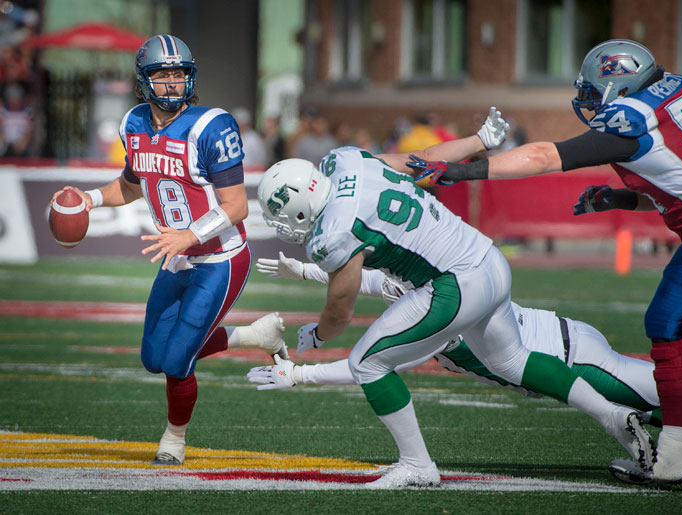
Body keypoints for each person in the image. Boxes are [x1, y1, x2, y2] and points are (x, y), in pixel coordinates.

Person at [255, 109, 656, 489]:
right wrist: (479, 139)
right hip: (487, 259)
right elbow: (426, 159)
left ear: (299, 209)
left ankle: (417, 465)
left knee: (369, 363)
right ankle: (613, 415)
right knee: (512, 361)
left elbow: (340, 310)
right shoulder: (346, 162)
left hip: (454, 283)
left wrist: (320, 336)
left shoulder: (335, 232)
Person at [406, 39, 682, 484]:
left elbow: (544, 156)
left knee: (666, 328)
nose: (589, 104)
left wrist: (457, 171)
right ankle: (674, 455)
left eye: (594, 91)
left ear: (618, 81)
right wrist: (623, 198)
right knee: (664, 325)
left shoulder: (630, 117)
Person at [50, 35, 288, 466]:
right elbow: (130, 183)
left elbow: (236, 206)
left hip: (220, 257)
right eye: (163, 74)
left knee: (178, 359)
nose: (173, 83)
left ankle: (174, 440)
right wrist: (90, 199)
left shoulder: (211, 125)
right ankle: (254, 335)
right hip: (178, 256)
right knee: (153, 358)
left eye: (180, 74)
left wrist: (189, 236)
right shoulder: (135, 123)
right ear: (144, 80)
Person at [250, 255, 682, 464]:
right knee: (660, 395)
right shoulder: (428, 278)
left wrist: (300, 374)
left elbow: (372, 366)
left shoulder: (444, 305)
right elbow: (372, 281)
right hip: (560, 348)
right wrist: (307, 271)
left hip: (566, 356)